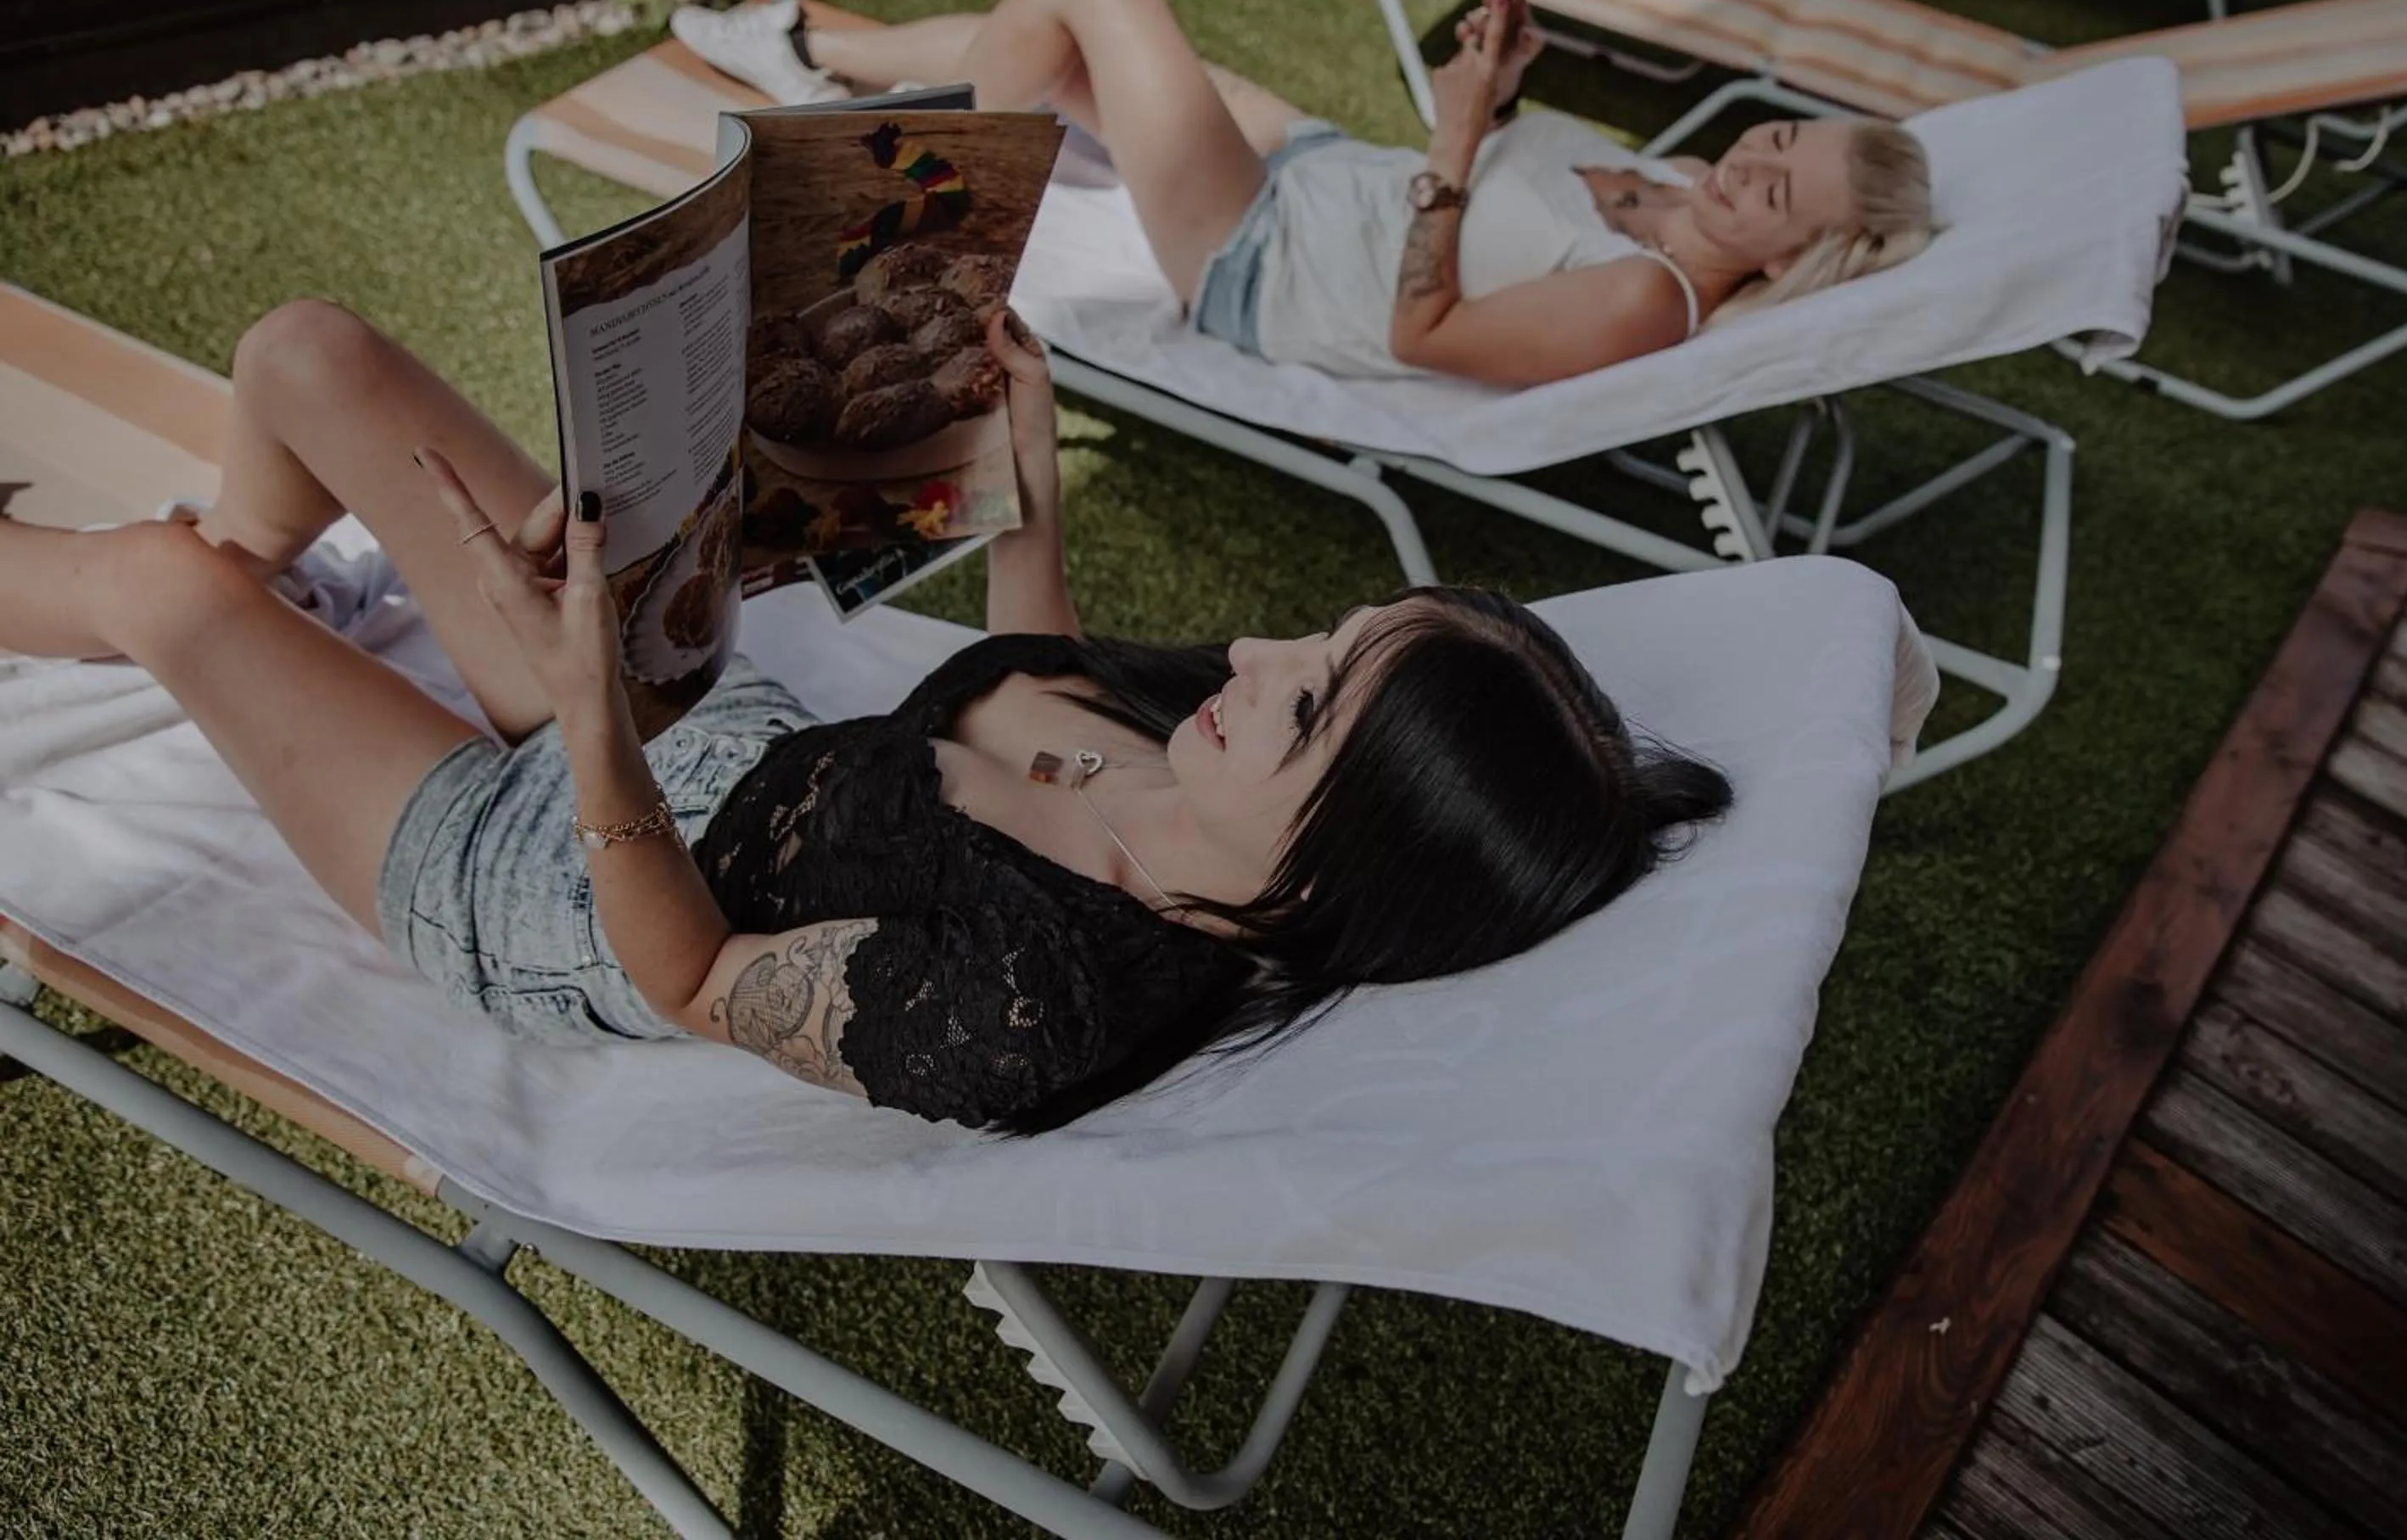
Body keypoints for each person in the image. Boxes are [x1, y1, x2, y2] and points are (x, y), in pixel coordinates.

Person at [0, 298, 1731, 1134]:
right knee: (307, 357)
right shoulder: (1212, 783)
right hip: (702, 718)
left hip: (566, 883)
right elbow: (1022, 700)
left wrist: (594, 724)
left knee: (165, 591)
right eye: (1324, 636)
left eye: (1305, 702)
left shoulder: (1035, 1002)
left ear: (1330, 868)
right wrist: (1026, 495)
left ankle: (155, 596)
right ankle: (257, 593)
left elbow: (687, 983)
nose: (1259, 647)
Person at [669, 0, 1935, 387]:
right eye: (1773, 136)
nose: (1747, 166)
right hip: (1324, 175)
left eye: (1777, 192)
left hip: (1265, 260)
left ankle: (867, 224)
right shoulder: (1669, 184)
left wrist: (1454, 132)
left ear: (1799, 254)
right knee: (1063, 57)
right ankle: (812, 55)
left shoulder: (1647, 296)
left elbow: (1424, 338)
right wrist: (1493, 88)